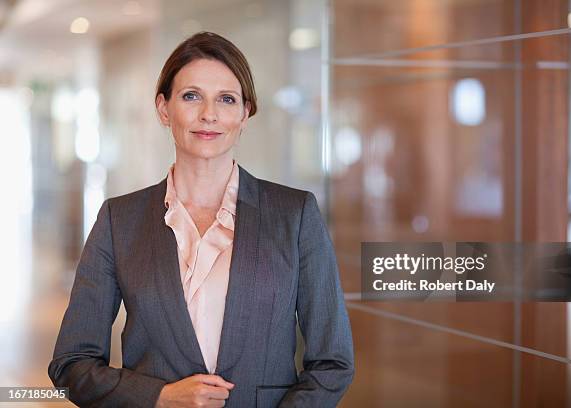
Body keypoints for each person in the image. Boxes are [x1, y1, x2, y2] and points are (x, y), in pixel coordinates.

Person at [48, 31, 354, 408]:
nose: (209, 114)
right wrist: (158, 397)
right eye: (191, 96)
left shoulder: (295, 215)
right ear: (164, 109)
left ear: (245, 114)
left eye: (226, 99)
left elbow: (333, 362)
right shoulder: (119, 220)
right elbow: (71, 365)